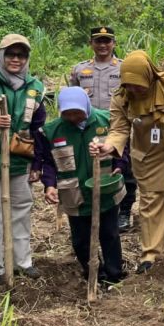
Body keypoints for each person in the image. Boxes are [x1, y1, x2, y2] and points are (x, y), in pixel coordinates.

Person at [91, 50, 164, 274]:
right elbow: (119, 129)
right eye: (129, 85)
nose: (134, 90)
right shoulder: (122, 99)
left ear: (149, 76)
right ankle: (151, 255)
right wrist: (109, 146)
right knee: (151, 204)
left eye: (138, 85)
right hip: (148, 157)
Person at [39, 87, 127, 284]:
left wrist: (119, 166)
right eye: (67, 113)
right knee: (80, 239)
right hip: (74, 193)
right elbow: (48, 162)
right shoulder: (52, 131)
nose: (72, 117)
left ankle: (114, 275)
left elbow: (123, 147)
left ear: (86, 107)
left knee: (110, 234)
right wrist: (50, 185)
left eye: (76, 112)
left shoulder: (107, 120)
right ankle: (94, 273)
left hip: (106, 189)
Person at [69, 26, 136, 232]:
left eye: (107, 41)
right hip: (89, 129)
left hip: (118, 127)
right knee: (92, 169)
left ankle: (124, 212)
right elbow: (73, 97)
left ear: (114, 43)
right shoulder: (80, 70)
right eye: (98, 41)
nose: (103, 45)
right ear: (91, 44)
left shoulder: (123, 68)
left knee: (125, 170)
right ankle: (94, 209)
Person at [0, 34, 46, 279]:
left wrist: (37, 163)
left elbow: (39, 129)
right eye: (11, 54)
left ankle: (22, 262)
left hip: (20, 160)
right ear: (1, 56)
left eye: (21, 55)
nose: (16, 59)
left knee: (21, 209)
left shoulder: (34, 88)